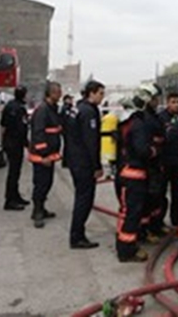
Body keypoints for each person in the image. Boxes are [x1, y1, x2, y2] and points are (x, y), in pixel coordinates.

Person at [116, 84, 162, 262]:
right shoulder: (138, 124)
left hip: (126, 172)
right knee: (132, 213)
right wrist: (154, 151)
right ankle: (127, 250)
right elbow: (142, 150)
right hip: (134, 174)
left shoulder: (126, 121)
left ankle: (124, 245)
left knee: (126, 212)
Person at [68, 80, 105, 249]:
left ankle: (77, 234)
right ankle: (77, 236)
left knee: (80, 197)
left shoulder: (77, 108)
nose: (102, 97)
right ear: (91, 93)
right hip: (84, 163)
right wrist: (97, 166)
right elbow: (92, 142)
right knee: (84, 200)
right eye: (100, 93)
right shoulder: (89, 112)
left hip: (75, 160)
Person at [29, 81, 65, 229]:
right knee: (41, 183)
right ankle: (37, 211)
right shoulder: (43, 110)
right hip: (42, 156)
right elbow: (38, 133)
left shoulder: (53, 109)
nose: (60, 94)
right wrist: (43, 155)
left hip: (49, 154)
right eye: (57, 91)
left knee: (47, 182)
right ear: (50, 93)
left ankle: (41, 208)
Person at [157, 92, 178, 228]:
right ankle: (159, 221)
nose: (176, 105)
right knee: (161, 193)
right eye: (173, 102)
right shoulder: (161, 118)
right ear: (167, 103)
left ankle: (177, 220)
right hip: (165, 160)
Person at [1, 86, 30, 211]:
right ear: (24, 95)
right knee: (14, 172)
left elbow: (3, 123)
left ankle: (15, 196)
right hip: (16, 144)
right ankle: (10, 200)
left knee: (13, 172)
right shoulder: (20, 108)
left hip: (8, 141)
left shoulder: (9, 106)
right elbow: (22, 129)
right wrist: (27, 144)